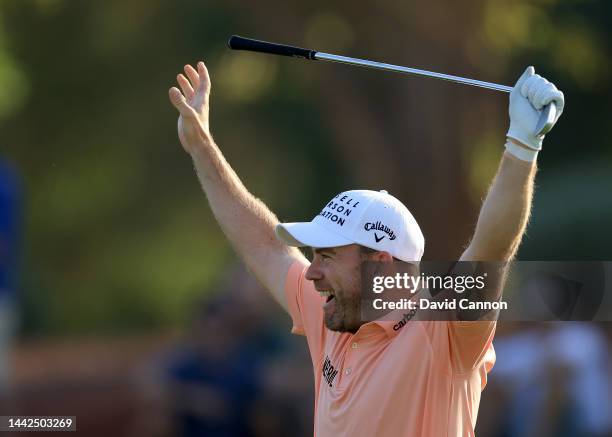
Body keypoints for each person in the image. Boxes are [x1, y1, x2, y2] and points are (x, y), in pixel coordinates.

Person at [168, 61, 564, 436]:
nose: (311, 272)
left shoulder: (441, 332)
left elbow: (492, 248)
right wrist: (202, 146)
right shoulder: (336, 316)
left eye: (327, 256)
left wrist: (521, 147)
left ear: (381, 264)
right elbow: (266, 246)